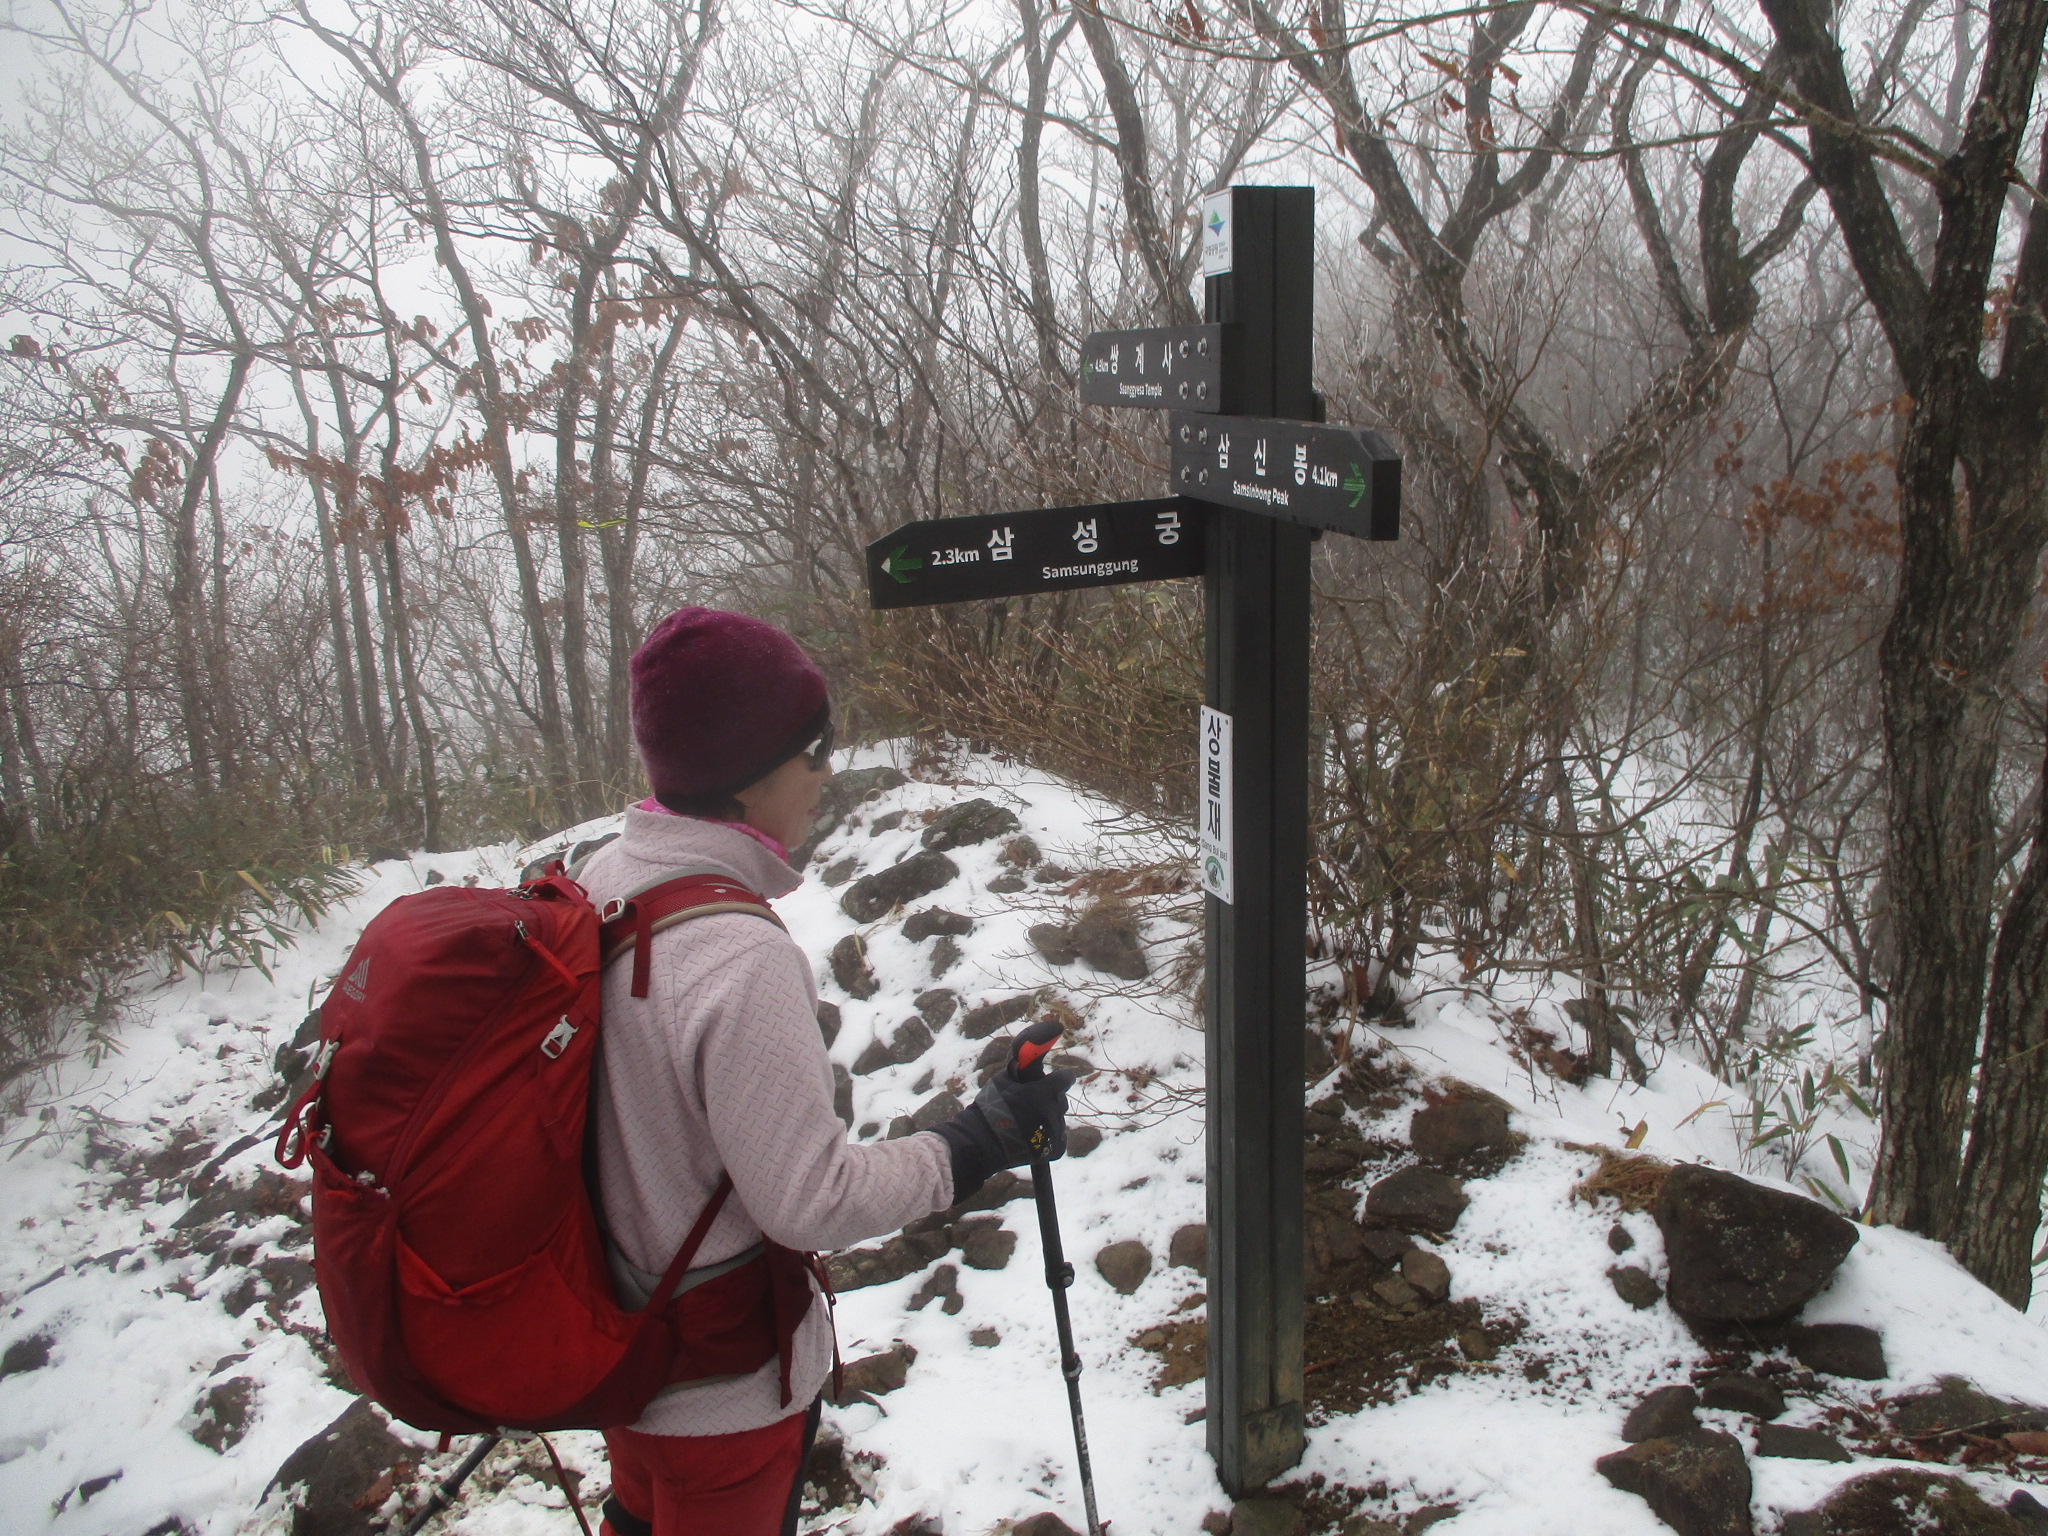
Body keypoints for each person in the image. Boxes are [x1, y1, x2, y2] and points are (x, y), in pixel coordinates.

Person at [574, 607, 1071, 1536]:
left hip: (625, 1353)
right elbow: (808, 1200)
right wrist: (976, 1141)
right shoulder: (738, 956)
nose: (829, 770)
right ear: (746, 774)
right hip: (720, 1396)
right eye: (815, 748)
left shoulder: (605, 880)